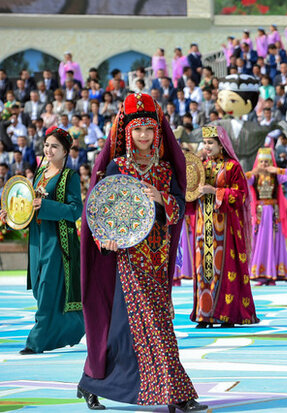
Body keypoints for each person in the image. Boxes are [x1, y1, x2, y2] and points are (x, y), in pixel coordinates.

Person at [79, 93, 207, 412]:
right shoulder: (117, 165)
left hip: (157, 258)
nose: (144, 136)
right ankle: (179, 395)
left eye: (149, 129)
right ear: (127, 133)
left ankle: (89, 382)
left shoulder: (164, 170)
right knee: (151, 325)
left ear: (158, 133)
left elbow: (179, 207)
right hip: (127, 258)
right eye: (137, 130)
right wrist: (103, 240)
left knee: (137, 326)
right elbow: (100, 209)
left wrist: (161, 198)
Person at [1, 127, 84, 354]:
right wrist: (12, 215)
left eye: (54, 146)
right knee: (40, 289)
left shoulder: (70, 177)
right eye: (46, 145)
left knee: (47, 289)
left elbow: (76, 210)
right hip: (37, 240)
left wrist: (46, 206)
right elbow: (28, 210)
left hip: (57, 241)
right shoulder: (38, 175)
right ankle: (75, 327)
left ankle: (36, 342)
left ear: (66, 151)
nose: (49, 149)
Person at [190, 125, 259, 328]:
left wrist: (214, 191)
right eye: (205, 143)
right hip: (203, 225)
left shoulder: (232, 167)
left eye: (211, 143)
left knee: (224, 267)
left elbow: (240, 195)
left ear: (222, 144)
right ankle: (204, 314)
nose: (207, 146)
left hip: (225, 227)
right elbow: (189, 192)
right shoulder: (200, 165)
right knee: (203, 267)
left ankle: (226, 314)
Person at [246, 148, 287, 285]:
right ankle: (261, 274)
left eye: (266, 162)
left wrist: (278, 170)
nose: (263, 164)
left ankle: (273, 274)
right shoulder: (254, 177)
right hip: (260, 214)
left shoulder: (276, 176)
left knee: (274, 241)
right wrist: (252, 172)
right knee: (260, 242)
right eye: (261, 161)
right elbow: (240, 180)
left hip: (273, 214)